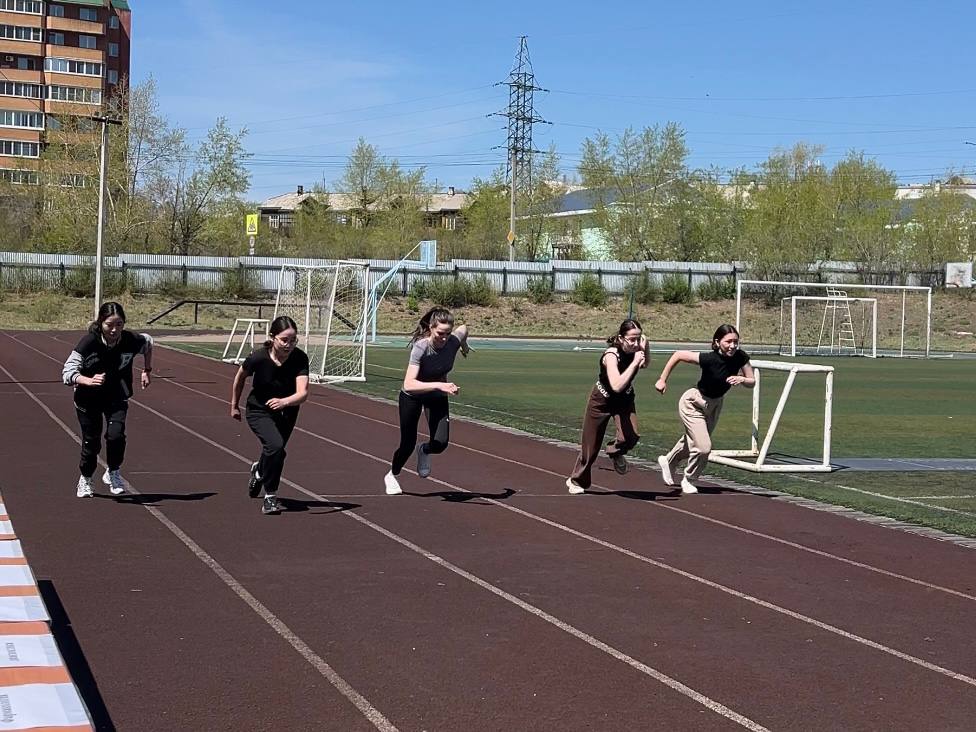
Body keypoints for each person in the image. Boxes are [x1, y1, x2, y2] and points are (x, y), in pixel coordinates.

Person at [62, 302, 154, 498]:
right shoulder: (88, 343)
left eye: (119, 324)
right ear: (100, 323)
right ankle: (86, 478)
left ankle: (113, 472)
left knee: (116, 435)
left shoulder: (130, 340)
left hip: (117, 395)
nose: (114, 330)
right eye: (109, 325)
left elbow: (148, 342)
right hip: (89, 399)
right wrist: (88, 380)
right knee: (91, 443)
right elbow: (67, 372)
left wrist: (147, 370)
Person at [655, 324, 755, 494]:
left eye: (735, 342)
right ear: (717, 342)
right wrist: (662, 379)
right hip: (694, 402)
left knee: (693, 442)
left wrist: (742, 380)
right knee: (703, 447)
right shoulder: (709, 358)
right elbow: (678, 355)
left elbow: (752, 381)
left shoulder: (740, 357)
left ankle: (668, 460)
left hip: (715, 405)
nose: (732, 346)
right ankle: (689, 479)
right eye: (728, 342)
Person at [384, 307, 469, 495]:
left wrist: (464, 346)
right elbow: (409, 384)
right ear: (431, 328)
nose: (444, 338)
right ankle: (392, 474)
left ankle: (424, 450)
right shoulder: (421, 347)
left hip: (436, 396)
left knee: (440, 443)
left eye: (448, 333)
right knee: (407, 444)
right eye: (440, 333)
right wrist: (439, 385)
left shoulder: (452, 341)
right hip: (413, 396)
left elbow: (463, 329)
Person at [230, 316, 309, 515]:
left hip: (287, 410)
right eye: (284, 340)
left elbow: (303, 393)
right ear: (272, 337)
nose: (289, 345)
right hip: (259, 410)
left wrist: (285, 402)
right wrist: (234, 406)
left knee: (276, 451)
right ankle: (270, 497)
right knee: (275, 446)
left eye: (293, 340)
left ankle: (258, 471)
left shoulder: (299, 358)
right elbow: (239, 379)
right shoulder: (258, 358)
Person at [566, 319, 649, 495]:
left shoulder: (637, 350)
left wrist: (645, 347)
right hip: (602, 400)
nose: (635, 344)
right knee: (591, 446)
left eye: (638, 339)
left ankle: (615, 451)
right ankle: (576, 480)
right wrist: (635, 362)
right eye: (631, 340)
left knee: (630, 436)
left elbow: (645, 363)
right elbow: (616, 384)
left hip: (624, 400)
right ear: (620, 338)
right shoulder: (611, 355)